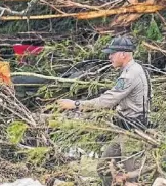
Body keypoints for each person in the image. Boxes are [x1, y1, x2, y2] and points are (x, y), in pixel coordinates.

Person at [56, 35, 152, 185]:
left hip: (134, 132)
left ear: (123, 54)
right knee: (104, 169)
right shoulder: (130, 70)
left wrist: (76, 104)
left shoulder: (131, 74)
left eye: (112, 53)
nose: (109, 57)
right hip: (125, 130)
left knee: (132, 178)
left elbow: (107, 100)